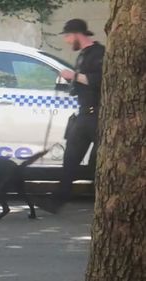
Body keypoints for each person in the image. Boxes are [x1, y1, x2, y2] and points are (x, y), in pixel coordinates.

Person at [39, 19, 105, 213]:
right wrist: (69, 84)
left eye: (68, 36)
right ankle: (56, 201)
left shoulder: (98, 53)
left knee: (97, 163)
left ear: (77, 34)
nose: (67, 41)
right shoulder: (83, 55)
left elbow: (98, 80)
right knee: (70, 159)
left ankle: (102, 201)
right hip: (83, 115)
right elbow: (82, 84)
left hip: (97, 116)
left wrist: (73, 76)